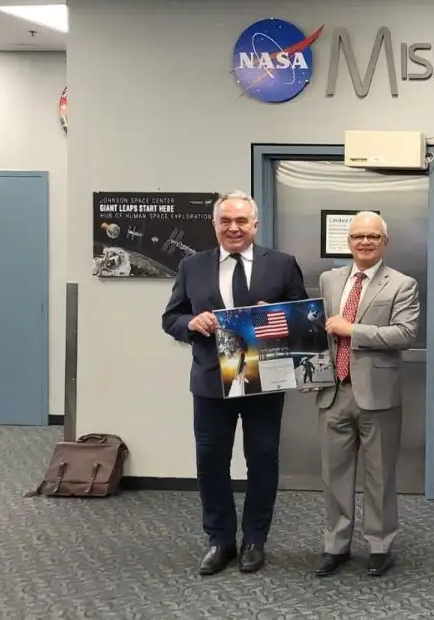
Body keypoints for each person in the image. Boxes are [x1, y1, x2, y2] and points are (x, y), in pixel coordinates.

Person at [161, 190, 308, 575]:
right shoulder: (192, 266)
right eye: (225, 221)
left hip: (263, 379)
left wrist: (275, 316)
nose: (233, 228)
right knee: (211, 462)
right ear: (215, 225)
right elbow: (171, 318)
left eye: (241, 221)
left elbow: (303, 321)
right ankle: (220, 540)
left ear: (255, 225)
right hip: (211, 383)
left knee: (262, 459)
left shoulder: (281, 265)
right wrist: (191, 324)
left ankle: (255, 540)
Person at [312, 211, 420, 578]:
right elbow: (320, 330)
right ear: (349, 241)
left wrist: (353, 329)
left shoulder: (402, 284)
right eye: (358, 236)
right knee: (334, 474)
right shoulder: (329, 279)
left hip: (378, 394)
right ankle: (336, 545)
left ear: (384, 242)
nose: (365, 242)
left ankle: (379, 544)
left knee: (380, 475)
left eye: (373, 236)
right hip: (334, 391)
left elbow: (405, 335)